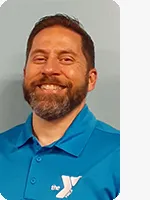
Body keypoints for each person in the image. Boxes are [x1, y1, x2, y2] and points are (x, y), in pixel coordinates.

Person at [0, 14, 120, 200]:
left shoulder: (125, 157)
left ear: (91, 79)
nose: (49, 69)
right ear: (25, 74)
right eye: (39, 58)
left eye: (66, 59)